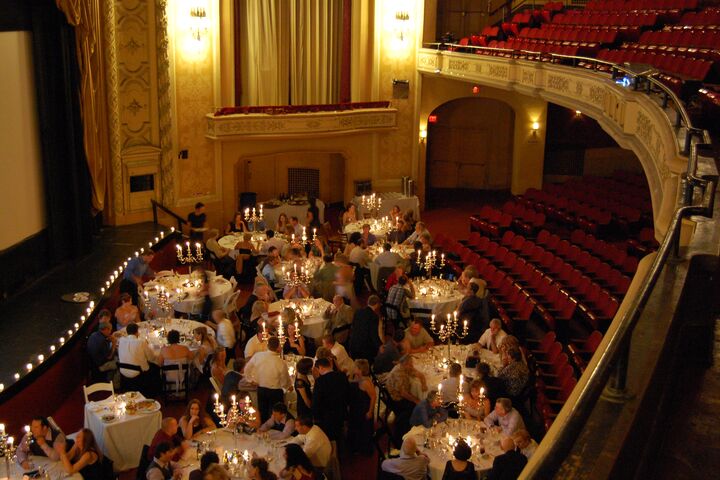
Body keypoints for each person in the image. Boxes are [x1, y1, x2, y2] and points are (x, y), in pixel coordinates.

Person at [244, 336, 293, 422]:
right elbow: (285, 381)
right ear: (278, 347)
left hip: (261, 390)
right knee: (276, 416)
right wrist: (289, 386)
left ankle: (263, 431)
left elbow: (247, 369)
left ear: (267, 345)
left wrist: (250, 380)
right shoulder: (280, 362)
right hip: (275, 392)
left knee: (263, 414)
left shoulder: (258, 356)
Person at [385, 355, 427, 444]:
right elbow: (403, 393)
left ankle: (410, 431)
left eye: (411, 364)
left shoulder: (405, 368)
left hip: (401, 396)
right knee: (414, 408)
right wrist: (416, 401)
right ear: (404, 364)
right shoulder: (398, 373)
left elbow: (419, 374)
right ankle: (401, 438)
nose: (412, 366)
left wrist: (423, 383)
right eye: (410, 364)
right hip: (395, 399)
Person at [312, 357, 349, 441]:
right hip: (341, 411)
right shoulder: (342, 375)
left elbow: (316, 402)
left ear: (320, 367)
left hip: (327, 416)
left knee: (329, 439)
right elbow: (347, 393)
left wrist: (315, 417)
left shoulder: (320, 381)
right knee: (339, 436)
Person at [118, 323, 158, 395]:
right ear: (137, 332)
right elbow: (151, 358)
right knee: (155, 367)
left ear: (127, 332)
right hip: (138, 373)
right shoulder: (141, 342)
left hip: (123, 371)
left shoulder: (121, 340)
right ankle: (153, 391)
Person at [347, 359, 376, 455]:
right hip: (356, 407)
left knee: (362, 430)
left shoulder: (366, 382)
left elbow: (373, 396)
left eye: (355, 367)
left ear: (360, 369)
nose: (353, 368)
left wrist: (370, 411)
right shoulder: (356, 377)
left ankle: (362, 449)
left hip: (363, 409)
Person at [348, 295, 383, 361]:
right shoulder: (374, 317)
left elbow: (353, 326)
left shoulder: (358, 311)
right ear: (377, 304)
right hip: (365, 349)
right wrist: (380, 345)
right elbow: (374, 335)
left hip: (353, 345)